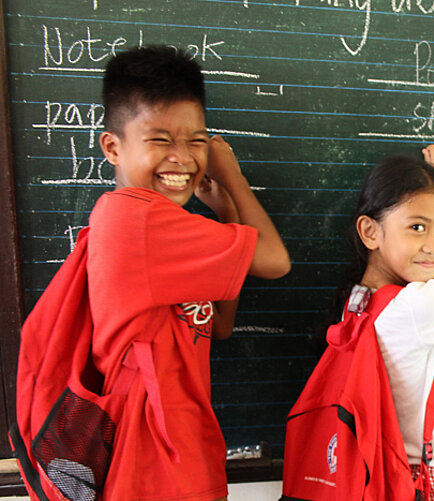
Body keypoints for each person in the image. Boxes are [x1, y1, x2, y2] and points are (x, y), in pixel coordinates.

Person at [92, 45, 290, 499]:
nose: (182, 157)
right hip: (151, 465)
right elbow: (275, 262)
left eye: (197, 141)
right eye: (160, 139)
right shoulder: (133, 219)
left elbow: (217, 325)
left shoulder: (172, 233)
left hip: (185, 453)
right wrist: (233, 178)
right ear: (112, 147)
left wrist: (229, 217)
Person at [329, 143, 434, 500]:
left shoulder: (358, 301)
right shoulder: (418, 305)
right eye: (417, 227)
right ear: (370, 232)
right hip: (427, 481)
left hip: (376, 475)